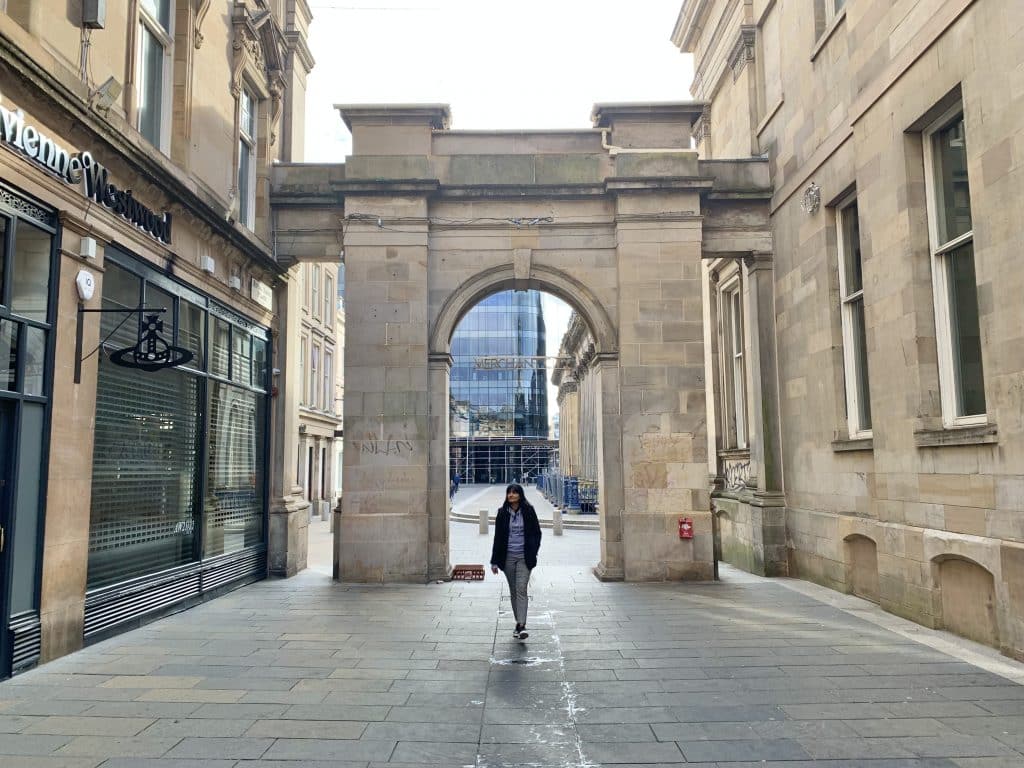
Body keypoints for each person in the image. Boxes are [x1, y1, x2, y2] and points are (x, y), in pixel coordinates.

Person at [490, 483, 542, 640]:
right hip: (507, 558)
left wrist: (533, 551)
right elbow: (497, 537)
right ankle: (518, 623)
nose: (511, 495)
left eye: (514, 492)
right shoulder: (502, 513)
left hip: (524, 557)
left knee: (521, 589)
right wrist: (494, 561)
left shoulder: (529, 511)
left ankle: (521, 625)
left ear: (520, 494)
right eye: (509, 493)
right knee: (513, 590)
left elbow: (537, 533)